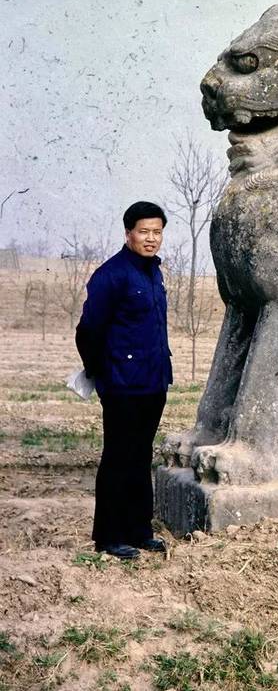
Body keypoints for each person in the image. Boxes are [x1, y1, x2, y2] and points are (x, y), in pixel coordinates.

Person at [75, 201, 173, 560]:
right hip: (121, 385)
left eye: (157, 232)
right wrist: (101, 373)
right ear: (128, 233)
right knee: (119, 456)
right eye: (144, 232)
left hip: (153, 381)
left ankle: (139, 530)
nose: (151, 239)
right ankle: (109, 536)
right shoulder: (111, 275)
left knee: (140, 455)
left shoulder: (153, 273)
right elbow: (88, 330)